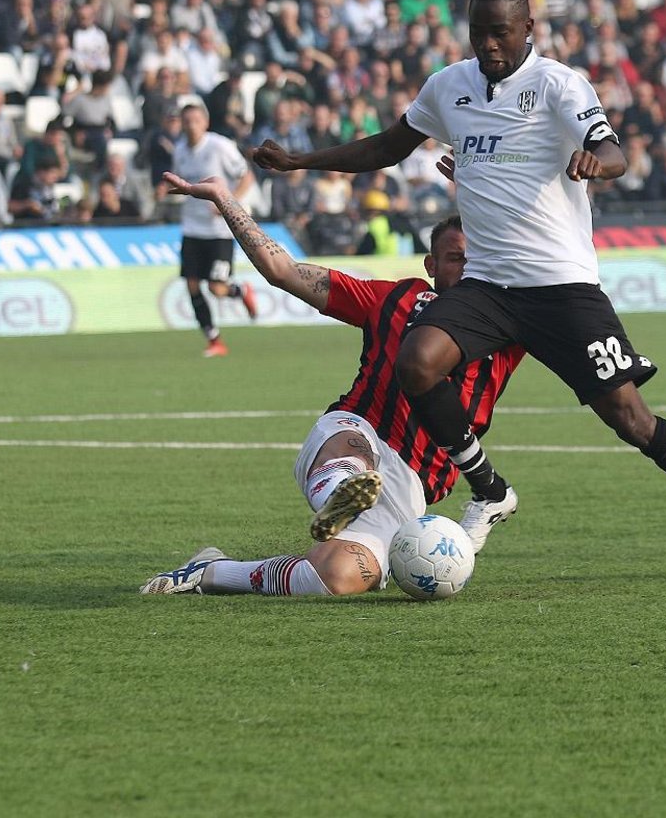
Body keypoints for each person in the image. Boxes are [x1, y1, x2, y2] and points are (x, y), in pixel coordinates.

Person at [256, 0, 666, 581]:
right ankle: (489, 489)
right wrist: (303, 161)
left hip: (561, 287)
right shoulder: (449, 87)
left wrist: (600, 164)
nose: (488, 44)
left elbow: (614, 150)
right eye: (478, 32)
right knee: (417, 362)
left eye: (500, 32)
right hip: (489, 288)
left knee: (631, 420)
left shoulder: (559, 85)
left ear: (528, 30)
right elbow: (388, 146)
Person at [141, 176, 522, 597]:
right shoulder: (394, 300)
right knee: (353, 462)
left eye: (477, 258)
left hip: (411, 482)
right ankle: (342, 489)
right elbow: (281, 270)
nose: (467, 268)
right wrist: (222, 198)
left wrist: (487, 187)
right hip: (358, 431)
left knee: (335, 578)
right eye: (455, 258)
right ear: (431, 265)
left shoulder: (510, 326)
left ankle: (212, 572)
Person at [169, 102, 258, 356]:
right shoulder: (180, 150)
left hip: (219, 231)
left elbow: (247, 177)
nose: (191, 125)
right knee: (192, 286)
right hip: (192, 228)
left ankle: (241, 291)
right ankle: (214, 340)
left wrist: (227, 203)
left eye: (196, 120)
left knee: (217, 288)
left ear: (205, 122)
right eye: (186, 121)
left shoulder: (220, 146)